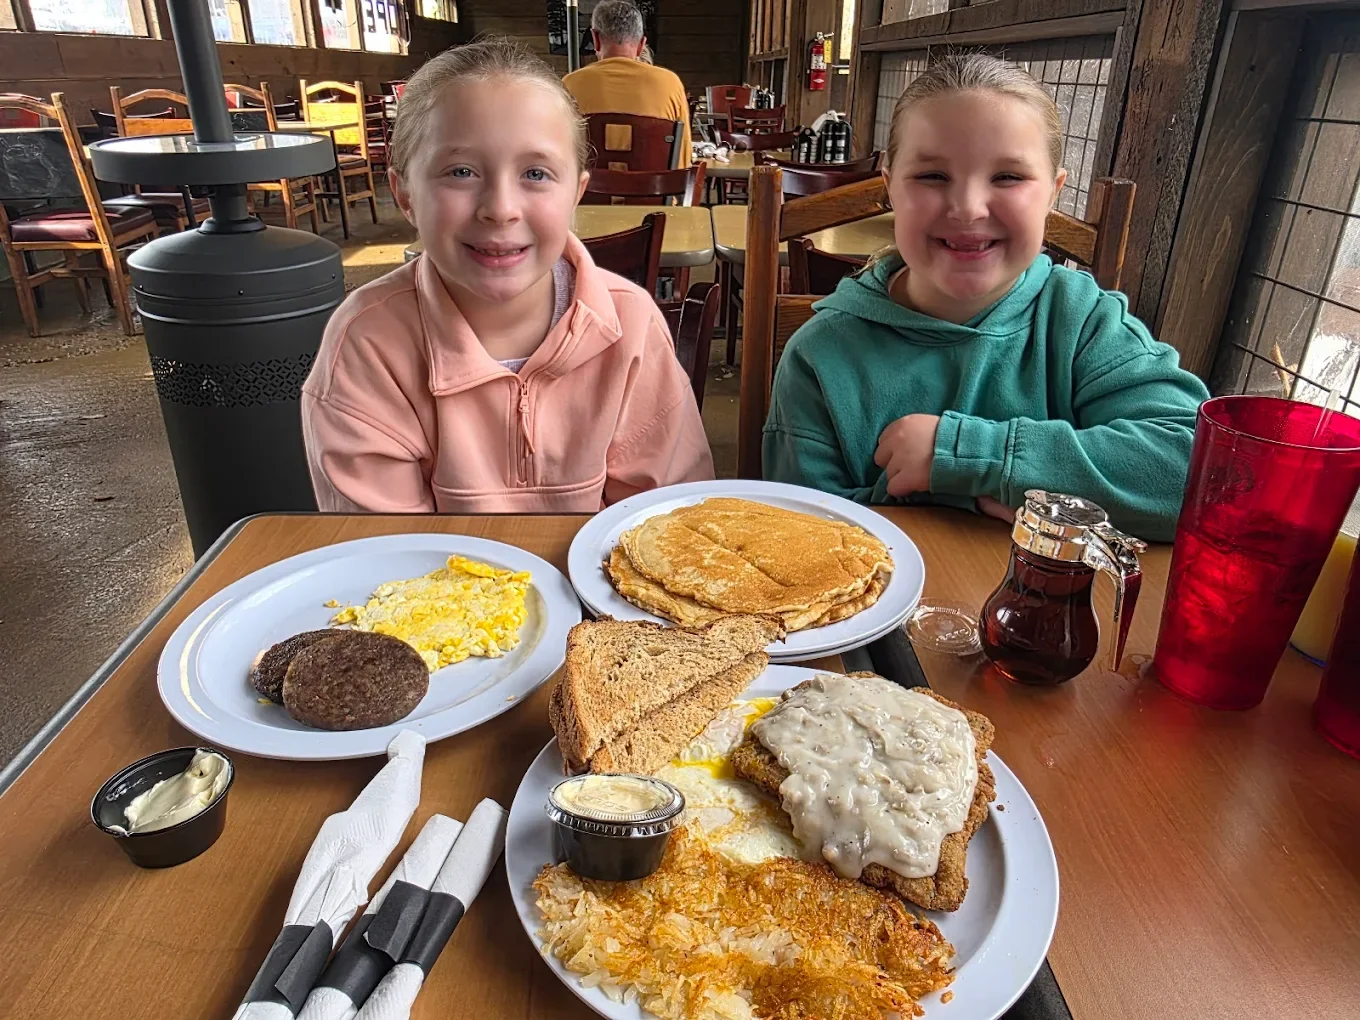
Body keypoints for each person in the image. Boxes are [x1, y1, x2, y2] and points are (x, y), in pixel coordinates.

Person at [762, 54, 1208, 541]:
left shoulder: (1082, 322)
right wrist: (989, 495)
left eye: (1009, 177)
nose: (969, 208)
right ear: (890, 187)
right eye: (932, 176)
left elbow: (1202, 469)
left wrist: (970, 455)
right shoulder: (820, 357)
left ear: (1053, 193)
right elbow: (797, 537)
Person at [302, 38, 713, 513]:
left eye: (536, 174)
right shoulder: (367, 343)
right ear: (405, 193)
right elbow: (385, 560)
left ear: (577, 192)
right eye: (460, 171)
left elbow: (666, 525)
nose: (500, 209)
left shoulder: (631, 325)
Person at [563, 0, 692, 169]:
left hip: (586, 195)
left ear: (595, 39)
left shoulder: (570, 84)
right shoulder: (670, 85)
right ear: (641, 45)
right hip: (654, 194)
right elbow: (683, 160)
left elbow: (559, 157)